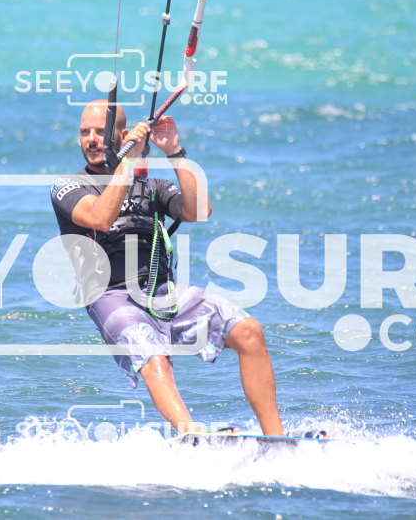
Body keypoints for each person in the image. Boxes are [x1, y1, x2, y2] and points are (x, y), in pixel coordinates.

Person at [49, 100, 286, 437]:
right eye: (84, 132)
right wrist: (127, 161)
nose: (91, 139)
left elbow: (199, 211)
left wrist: (174, 151)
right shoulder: (68, 186)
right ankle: (192, 433)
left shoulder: (152, 188)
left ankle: (277, 438)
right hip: (110, 296)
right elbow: (99, 217)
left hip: (162, 293)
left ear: (122, 135)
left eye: (100, 132)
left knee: (250, 331)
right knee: (151, 352)